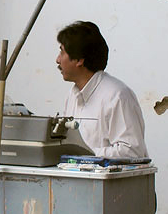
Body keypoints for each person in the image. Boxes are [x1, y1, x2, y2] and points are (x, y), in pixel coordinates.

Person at [56, 20, 148, 159]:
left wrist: (85, 155)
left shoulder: (117, 96)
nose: (57, 60)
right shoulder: (72, 95)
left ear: (79, 60)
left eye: (62, 52)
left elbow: (132, 152)